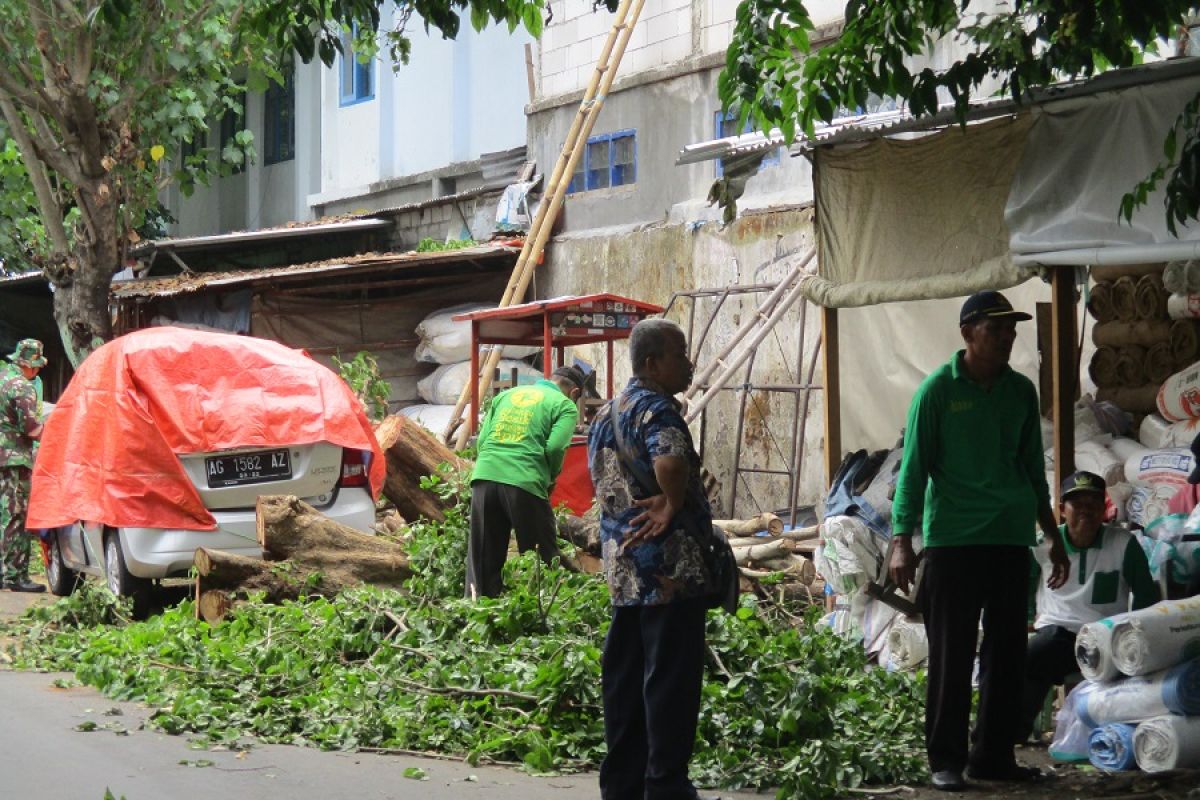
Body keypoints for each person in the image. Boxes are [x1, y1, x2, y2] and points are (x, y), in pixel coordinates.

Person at [889, 291, 1069, 792]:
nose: (1008, 337)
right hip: (953, 542)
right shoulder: (937, 392)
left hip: (1010, 541)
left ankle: (993, 755)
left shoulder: (1020, 392)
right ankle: (945, 758)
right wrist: (901, 538)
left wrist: (1052, 536)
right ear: (968, 333)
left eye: (1012, 330)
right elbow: (914, 470)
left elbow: (1033, 468)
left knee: (1009, 654)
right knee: (952, 652)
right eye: (997, 329)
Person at [587, 318, 715, 800]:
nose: (689, 363)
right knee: (670, 683)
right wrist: (673, 500)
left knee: (624, 680)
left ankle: (622, 785)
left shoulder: (607, 414)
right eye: (680, 354)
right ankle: (665, 785)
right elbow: (671, 462)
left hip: (623, 571)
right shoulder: (658, 408)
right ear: (652, 363)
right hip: (668, 573)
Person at [1018, 470, 1159, 742]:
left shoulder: (1122, 543)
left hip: (1105, 638)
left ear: (1104, 508)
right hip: (1056, 633)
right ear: (1062, 510)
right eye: (1077, 505)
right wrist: (1025, 621)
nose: (1086, 511)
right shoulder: (1042, 545)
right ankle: (1012, 731)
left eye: (1093, 504)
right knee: (1032, 655)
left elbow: (1145, 596)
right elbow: (1024, 590)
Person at [465, 364, 583, 599]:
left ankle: (475, 613)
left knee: (482, 559)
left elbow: (482, 441)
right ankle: (544, 612)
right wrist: (549, 478)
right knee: (541, 559)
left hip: (484, 477)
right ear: (575, 392)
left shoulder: (507, 395)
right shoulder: (565, 406)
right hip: (525, 480)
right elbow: (556, 446)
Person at [0, 339, 48, 593]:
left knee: (2, 515)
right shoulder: (22, 388)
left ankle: (3, 572)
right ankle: (16, 575)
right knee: (16, 517)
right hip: (14, 460)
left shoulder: (2, 379)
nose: (38, 371)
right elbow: (31, 428)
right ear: (29, 364)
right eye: (37, 366)